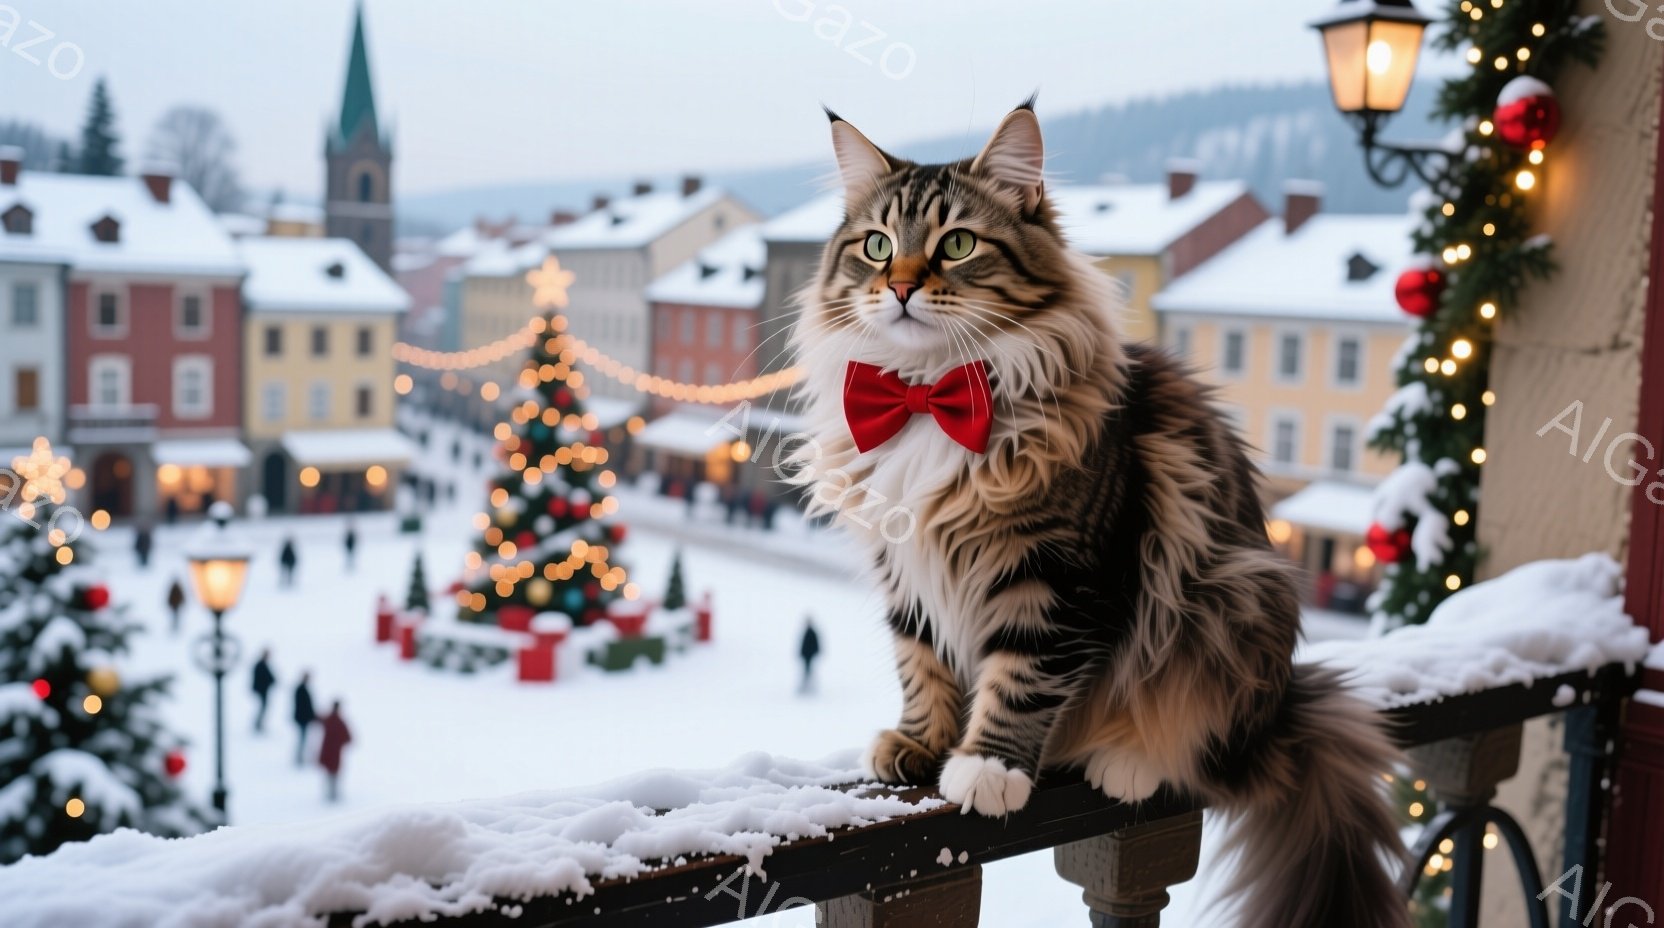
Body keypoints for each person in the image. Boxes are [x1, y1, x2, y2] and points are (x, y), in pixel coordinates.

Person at [317, 700, 353, 802]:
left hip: (327, 751)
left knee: (329, 773)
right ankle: (333, 794)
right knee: (333, 774)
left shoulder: (329, 719)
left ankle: (331, 794)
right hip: (334, 752)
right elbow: (348, 738)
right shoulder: (339, 722)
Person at [292, 671, 316, 767]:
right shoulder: (301, 689)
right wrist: (311, 715)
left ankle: (300, 756)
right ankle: (299, 757)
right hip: (302, 718)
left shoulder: (302, 689)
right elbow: (304, 706)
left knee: (303, 738)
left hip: (303, 718)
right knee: (302, 738)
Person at [251, 649, 276, 734]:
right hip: (261, 690)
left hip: (263, 690)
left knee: (263, 707)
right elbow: (264, 678)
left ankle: (258, 724)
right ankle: (258, 724)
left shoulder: (263, 665)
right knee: (263, 707)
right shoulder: (260, 665)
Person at [798, 617, 821, 695]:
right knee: (807, 670)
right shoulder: (807, 632)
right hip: (806, 655)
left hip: (809, 655)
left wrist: (813, 652)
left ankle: (809, 686)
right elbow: (803, 645)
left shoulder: (811, 632)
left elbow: (815, 644)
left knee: (808, 670)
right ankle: (808, 686)